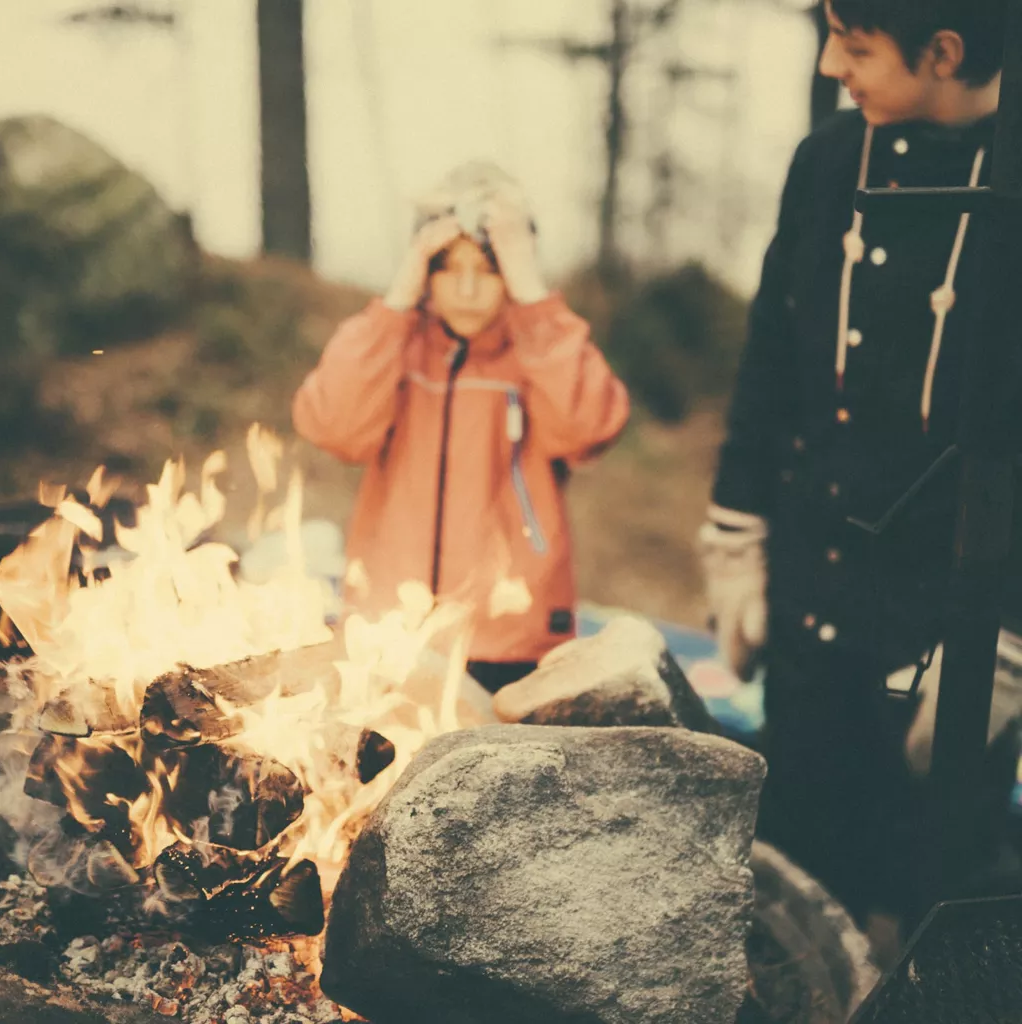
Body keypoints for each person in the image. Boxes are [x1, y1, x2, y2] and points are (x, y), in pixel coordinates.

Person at [698, 0, 1009, 929]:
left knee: (927, 908)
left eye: (858, 44)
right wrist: (735, 534)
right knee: (790, 894)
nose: (833, 62)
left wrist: (1008, 652)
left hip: (954, 623)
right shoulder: (829, 160)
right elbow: (770, 362)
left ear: (945, 52)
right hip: (810, 599)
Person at [293, 162, 630, 694]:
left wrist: (531, 295)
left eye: (490, 267)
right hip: (390, 635)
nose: (469, 288)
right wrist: (398, 297)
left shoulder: (538, 352)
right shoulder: (395, 349)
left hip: (510, 641)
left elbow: (590, 426)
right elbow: (333, 425)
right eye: (449, 267)